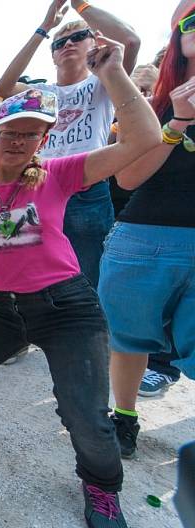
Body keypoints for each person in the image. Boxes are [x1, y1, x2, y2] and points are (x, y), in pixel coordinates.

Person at [0, 35, 160, 528]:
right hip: (0, 309)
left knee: (86, 418)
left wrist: (113, 74)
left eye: (31, 134)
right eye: (12, 132)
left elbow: (144, 140)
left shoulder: (58, 174)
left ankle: (102, 487)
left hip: (67, 308)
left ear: (42, 141)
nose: (19, 141)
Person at [99, 0, 195, 460]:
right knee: (130, 338)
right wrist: (177, 122)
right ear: (177, 37)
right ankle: (126, 418)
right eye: (190, 18)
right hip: (145, 237)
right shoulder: (154, 100)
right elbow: (129, 178)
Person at [0, 0, 141, 288]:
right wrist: (45, 27)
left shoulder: (103, 80)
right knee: (38, 269)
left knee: (89, 274)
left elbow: (130, 40)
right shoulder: (42, 94)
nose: (67, 44)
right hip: (42, 187)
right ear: (52, 55)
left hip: (86, 190)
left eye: (77, 38)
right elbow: (3, 87)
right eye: (60, 43)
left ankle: (91, 330)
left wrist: (80, 5)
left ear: (94, 43)